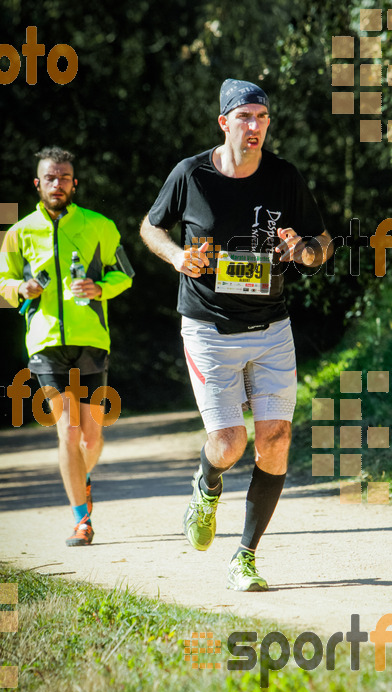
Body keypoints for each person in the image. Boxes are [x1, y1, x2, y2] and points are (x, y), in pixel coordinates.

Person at [140, 79, 332, 591]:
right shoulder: (191, 175)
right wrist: (178, 256)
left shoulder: (284, 177)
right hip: (209, 329)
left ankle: (244, 556)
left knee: (276, 439)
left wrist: (305, 251)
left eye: (263, 118)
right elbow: (150, 227)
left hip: (271, 327)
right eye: (245, 117)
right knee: (228, 442)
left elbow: (321, 242)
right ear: (224, 123)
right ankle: (207, 486)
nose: (256, 127)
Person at [0, 146, 133, 546]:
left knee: (91, 438)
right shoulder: (19, 233)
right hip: (44, 343)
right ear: (37, 184)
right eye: (50, 178)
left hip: (91, 339)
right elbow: (3, 283)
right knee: (68, 431)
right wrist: (21, 288)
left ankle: (82, 477)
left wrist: (99, 287)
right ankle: (81, 520)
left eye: (64, 177)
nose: (58, 184)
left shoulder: (100, 225)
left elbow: (124, 274)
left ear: (74, 183)